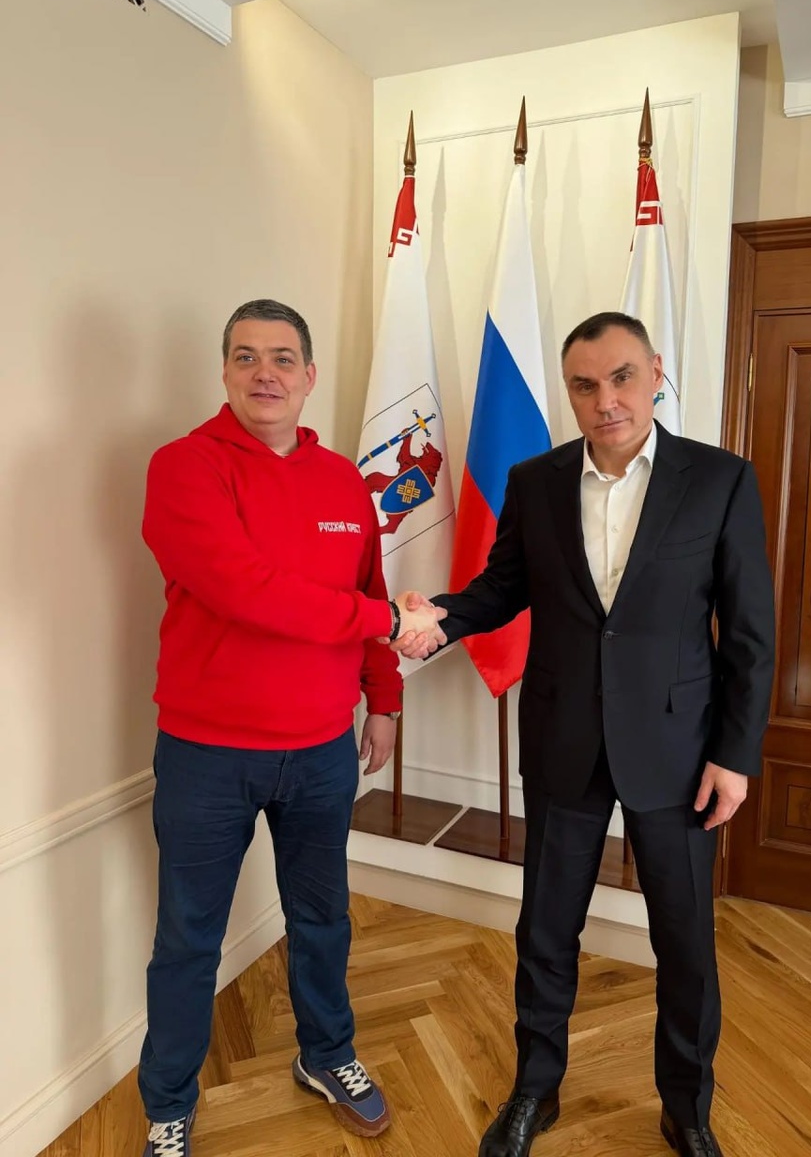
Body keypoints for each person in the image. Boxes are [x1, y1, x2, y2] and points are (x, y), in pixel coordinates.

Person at [395, 312, 776, 1157]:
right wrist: (441, 618)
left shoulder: (720, 480)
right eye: (585, 384)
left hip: (680, 753)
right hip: (564, 738)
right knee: (545, 929)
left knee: (684, 938)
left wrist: (735, 755)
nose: (607, 400)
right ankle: (535, 1091)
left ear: (656, 374)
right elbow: (500, 589)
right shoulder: (534, 480)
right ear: (568, 392)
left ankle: (687, 1109)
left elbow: (750, 635)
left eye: (622, 377)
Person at [138, 299, 445, 1157]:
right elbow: (248, 591)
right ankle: (168, 1105)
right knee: (188, 937)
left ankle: (327, 1055)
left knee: (322, 916)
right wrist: (386, 622)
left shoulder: (344, 480)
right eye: (245, 357)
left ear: (309, 376)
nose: (264, 373)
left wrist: (384, 697)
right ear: (225, 371)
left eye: (281, 358)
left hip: (319, 749)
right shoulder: (185, 467)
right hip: (207, 754)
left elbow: (367, 589)